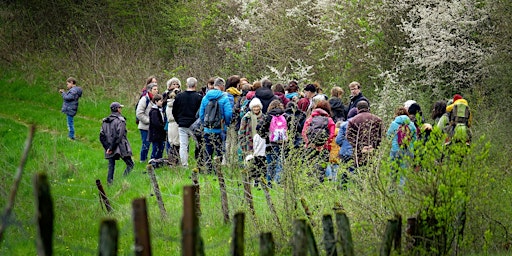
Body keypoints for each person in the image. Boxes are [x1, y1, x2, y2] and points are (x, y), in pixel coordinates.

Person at [198, 77, 233, 174]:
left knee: (208, 150)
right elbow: (228, 113)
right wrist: (226, 123)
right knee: (219, 149)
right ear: (222, 86)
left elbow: (201, 113)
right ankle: (218, 169)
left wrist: (205, 124)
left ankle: (208, 169)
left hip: (207, 129)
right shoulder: (224, 97)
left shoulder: (205, 97)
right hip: (220, 129)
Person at [302, 100, 336, 182]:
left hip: (310, 147)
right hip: (324, 149)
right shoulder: (329, 120)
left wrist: (309, 143)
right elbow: (331, 135)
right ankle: (319, 186)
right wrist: (323, 145)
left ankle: (310, 185)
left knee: (310, 168)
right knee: (321, 168)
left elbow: (304, 132)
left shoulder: (310, 119)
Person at [99, 102, 134, 185]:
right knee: (130, 164)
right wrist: (111, 148)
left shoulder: (105, 121)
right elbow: (119, 136)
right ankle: (123, 180)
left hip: (109, 147)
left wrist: (108, 148)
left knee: (111, 166)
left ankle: (109, 184)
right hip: (121, 146)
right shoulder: (121, 121)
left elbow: (101, 136)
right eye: (120, 108)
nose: (121, 109)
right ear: (117, 109)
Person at [172, 77, 203, 167]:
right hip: (194, 125)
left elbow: (174, 111)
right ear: (195, 85)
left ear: (186, 84)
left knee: (183, 145)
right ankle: (200, 163)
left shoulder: (179, 96)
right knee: (199, 144)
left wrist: (178, 121)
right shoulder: (199, 97)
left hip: (182, 124)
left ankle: (184, 164)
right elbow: (200, 112)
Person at [258, 99, 287, 186]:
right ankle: (278, 182)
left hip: (270, 143)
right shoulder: (285, 116)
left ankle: (269, 183)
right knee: (279, 163)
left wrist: (265, 136)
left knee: (270, 164)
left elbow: (259, 128)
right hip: (282, 143)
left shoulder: (268, 116)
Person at [386, 107, 417, 186]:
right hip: (408, 151)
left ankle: (390, 192)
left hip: (395, 150)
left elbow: (388, 136)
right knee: (404, 175)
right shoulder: (412, 125)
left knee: (392, 173)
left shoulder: (393, 124)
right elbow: (415, 138)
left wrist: (393, 143)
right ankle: (402, 195)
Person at [238, 98, 266, 186]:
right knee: (250, 161)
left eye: (257, 107)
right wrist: (242, 142)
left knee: (259, 161)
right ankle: (251, 178)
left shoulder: (264, 117)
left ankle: (258, 180)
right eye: (254, 107)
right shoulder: (247, 117)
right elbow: (241, 131)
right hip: (249, 142)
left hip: (260, 143)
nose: (256, 109)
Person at [346, 101, 383, 168]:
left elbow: (349, 136)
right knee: (374, 170)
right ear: (368, 108)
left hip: (360, 153)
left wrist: (359, 147)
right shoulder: (377, 119)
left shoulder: (353, 120)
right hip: (374, 152)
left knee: (360, 171)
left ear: (357, 109)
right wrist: (375, 146)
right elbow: (382, 135)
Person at [335, 108, 358, 186]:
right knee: (355, 171)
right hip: (357, 151)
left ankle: (343, 189)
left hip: (345, 152)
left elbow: (338, 140)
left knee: (344, 172)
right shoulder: (361, 123)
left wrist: (344, 145)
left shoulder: (344, 124)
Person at [136, 83, 158, 163]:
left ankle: (153, 160)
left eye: (157, 89)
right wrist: (149, 121)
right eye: (154, 89)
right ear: (150, 90)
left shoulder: (157, 99)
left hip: (154, 127)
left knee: (155, 145)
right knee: (146, 144)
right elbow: (139, 113)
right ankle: (143, 160)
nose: (156, 91)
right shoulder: (144, 99)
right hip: (145, 127)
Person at [164, 77, 182, 165]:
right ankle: (173, 160)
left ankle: (175, 160)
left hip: (175, 122)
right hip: (170, 122)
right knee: (172, 142)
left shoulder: (181, 95)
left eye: (176, 84)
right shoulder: (166, 96)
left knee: (176, 142)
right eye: (173, 84)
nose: (175, 86)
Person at [148, 94, 166, 161]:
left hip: (160, 134)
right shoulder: (154, 111)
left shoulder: (160, 110)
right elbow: (156, 123)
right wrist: (163, 127)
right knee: (155, 148)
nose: (162, 102)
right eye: (160, 101)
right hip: (155, 134)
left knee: (161, 148)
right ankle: (153, 160)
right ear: (156, 101)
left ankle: (159, 161)